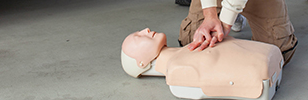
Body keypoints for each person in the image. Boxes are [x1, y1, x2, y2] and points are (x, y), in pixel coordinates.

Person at [121, 28, 283, 100]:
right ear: (141, 63)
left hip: (264, 58)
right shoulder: (179, 69)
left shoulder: (184, 55)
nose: (145, 30)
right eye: (138, 36)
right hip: (262, 65)